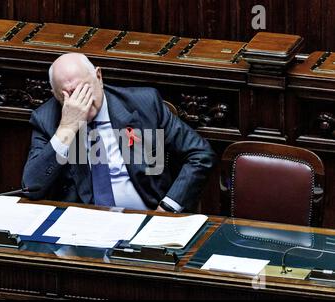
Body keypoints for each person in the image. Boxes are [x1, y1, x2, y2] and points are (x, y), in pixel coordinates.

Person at [22, 53, 216, 213]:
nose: (80, 102)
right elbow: (32, 187)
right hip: (80, 227)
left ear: (99, 76)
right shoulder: (47, 119)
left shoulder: (144, 105)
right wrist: (67, 128)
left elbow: (200, 155)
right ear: (56, 95)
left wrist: (168, 208)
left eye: (84, 90)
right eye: (69, 95)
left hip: (147, 218)